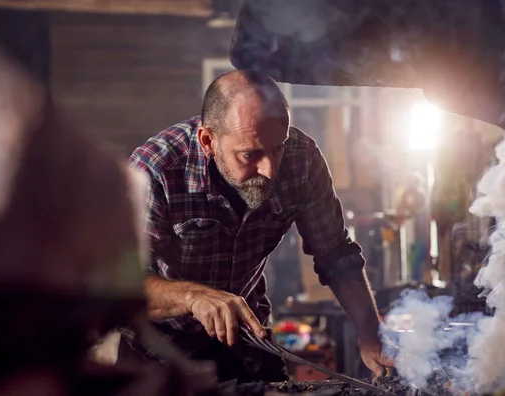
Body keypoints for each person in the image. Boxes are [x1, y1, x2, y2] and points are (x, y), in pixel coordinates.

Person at [121, 70, 394, 382]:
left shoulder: (302, 160)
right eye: (250, 154)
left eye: (278, 147)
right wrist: (192, 297)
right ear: (208, 140)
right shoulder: (155, 170)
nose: (270, 169)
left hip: (248, 342)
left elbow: (335, 253)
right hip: (158, 355)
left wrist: (370, 333)